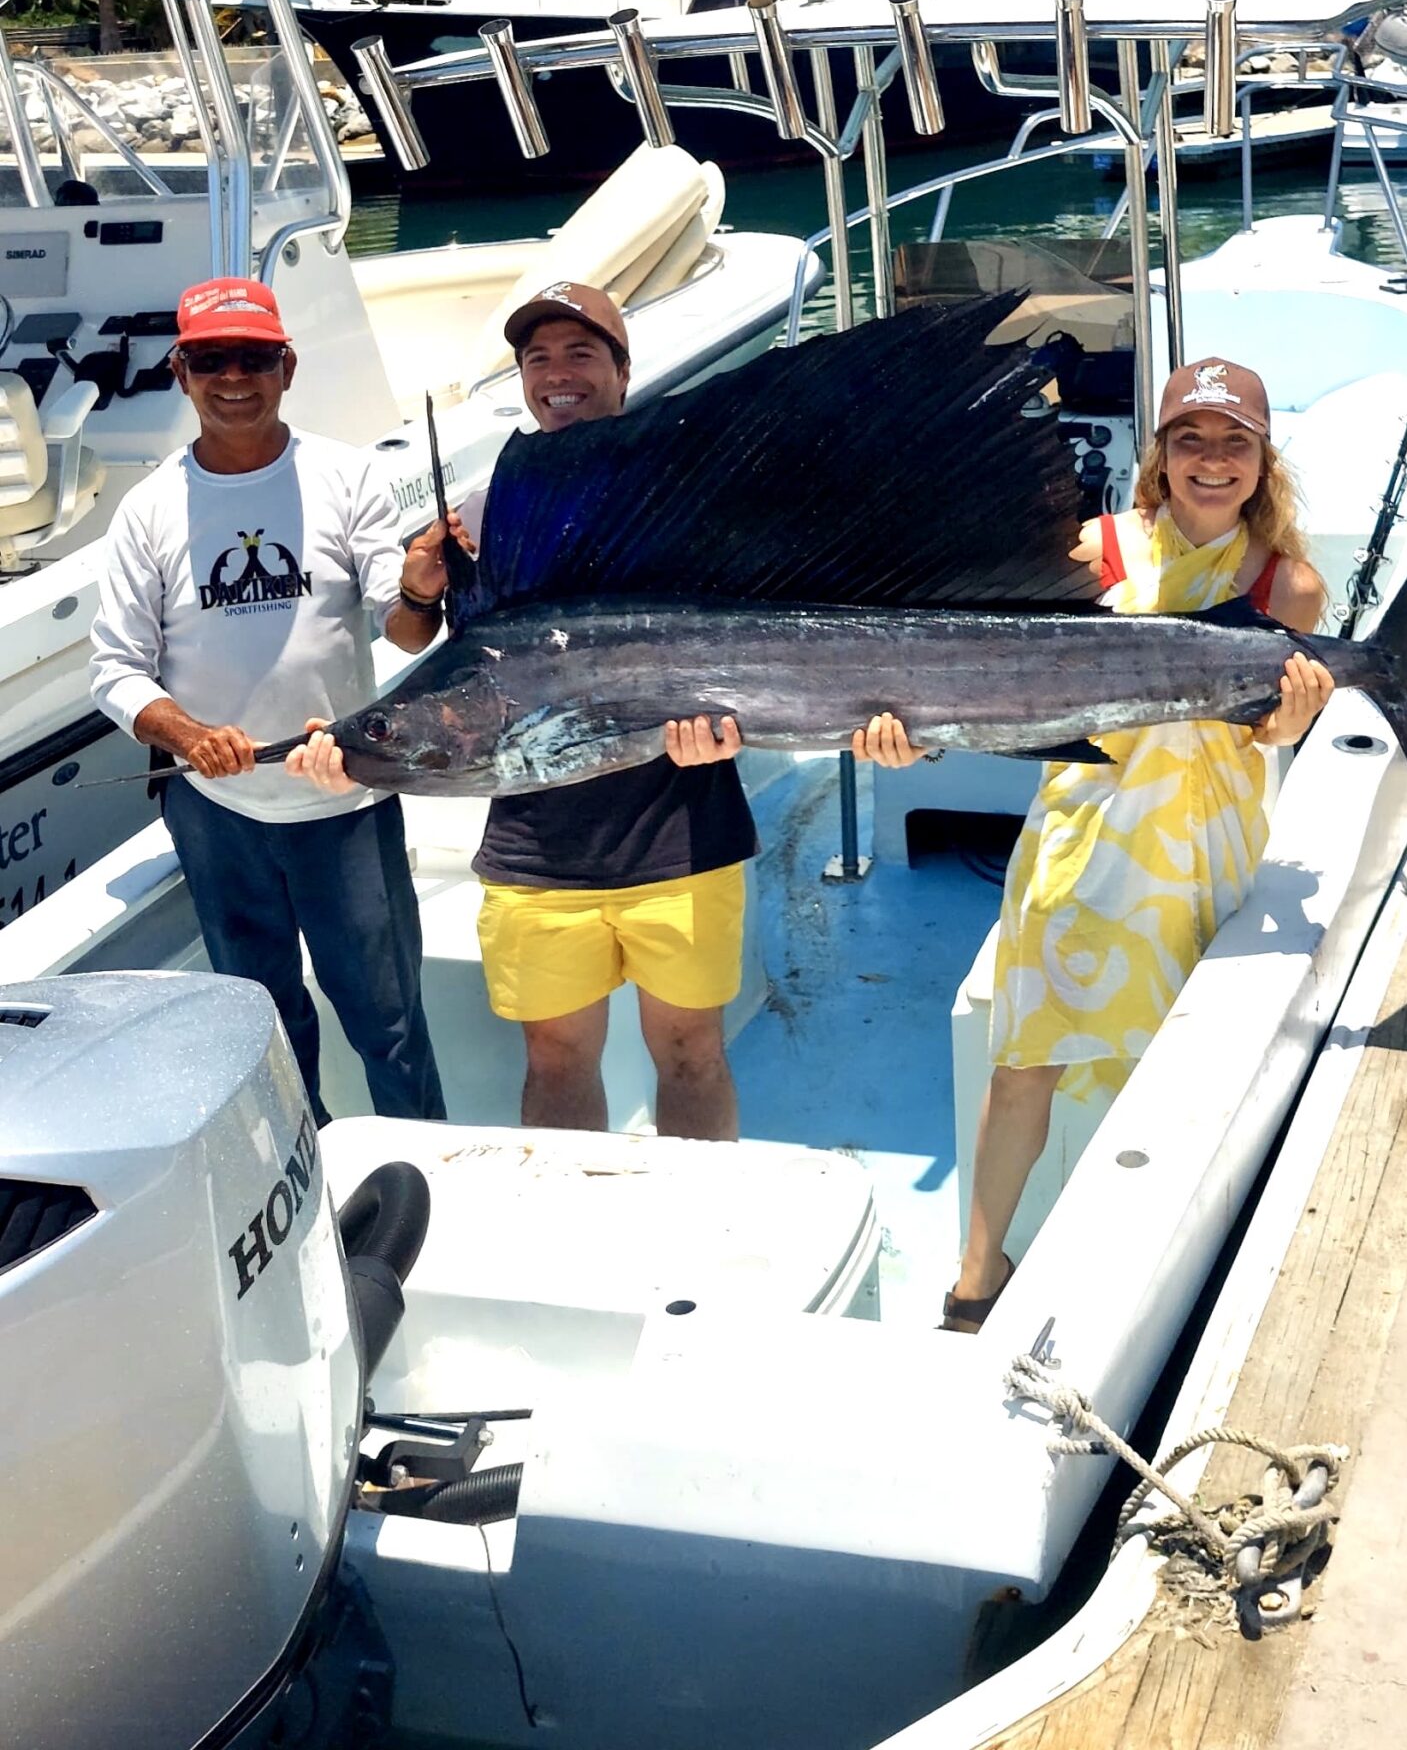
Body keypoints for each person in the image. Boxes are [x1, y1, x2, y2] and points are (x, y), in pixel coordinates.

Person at [296, 278, 918, 1142]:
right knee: (553, 1057)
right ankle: (578, 1234)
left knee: (692, 1051)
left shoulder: (690, 488)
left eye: (580, 352)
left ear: (622, 371)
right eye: (537, 357)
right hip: (534, 857)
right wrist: (415, 586)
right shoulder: (486, 514)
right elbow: (414, 643)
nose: (558, 373)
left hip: (682, 839)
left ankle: (705, 1225)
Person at [941, 355, 1336, 1331]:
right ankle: (976, 1274)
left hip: (1195, 860)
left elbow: (1267, 728)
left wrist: (1290, 725)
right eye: (1190, 440)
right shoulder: (1093, 552)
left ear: (1261, 458)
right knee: (1022, 1070)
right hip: (1079, 847)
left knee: (1174, 1077)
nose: (1211, 461)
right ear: (1159, 454)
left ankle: (1144, 1279)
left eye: (1232, 442)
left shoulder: (1288, 584)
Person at [88, 276, 450, 1126]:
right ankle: (306, 1192)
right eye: (211, 359)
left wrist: (422, 590)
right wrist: (184, 732)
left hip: (340, 796)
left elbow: (398, 630)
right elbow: (115, 668)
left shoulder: (346, 475)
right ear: (182, 372)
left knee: (388, 1024)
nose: (233, 377)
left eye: (252, 357)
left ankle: (431, 1181)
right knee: (267, 1028)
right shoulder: (146, 510)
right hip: (217, 810)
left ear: (286, 367)